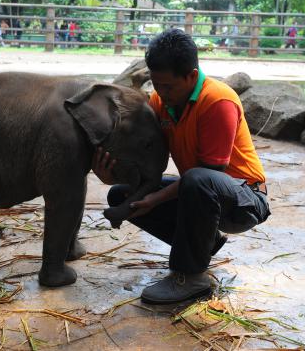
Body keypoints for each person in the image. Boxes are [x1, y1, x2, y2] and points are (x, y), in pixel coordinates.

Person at [93, 29, 270, 304]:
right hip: (202, 192)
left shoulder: (217, 101)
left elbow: (212, 172)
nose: (161, 93)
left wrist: (155, 199)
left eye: (168, 86)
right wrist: (110, 175)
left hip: (244, 200)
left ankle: (190, 276)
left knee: (198, 179)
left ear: (191, 75)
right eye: (156, 85)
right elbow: (148, 162)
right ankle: (206, 243)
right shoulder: (162, 102)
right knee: (121, 194)